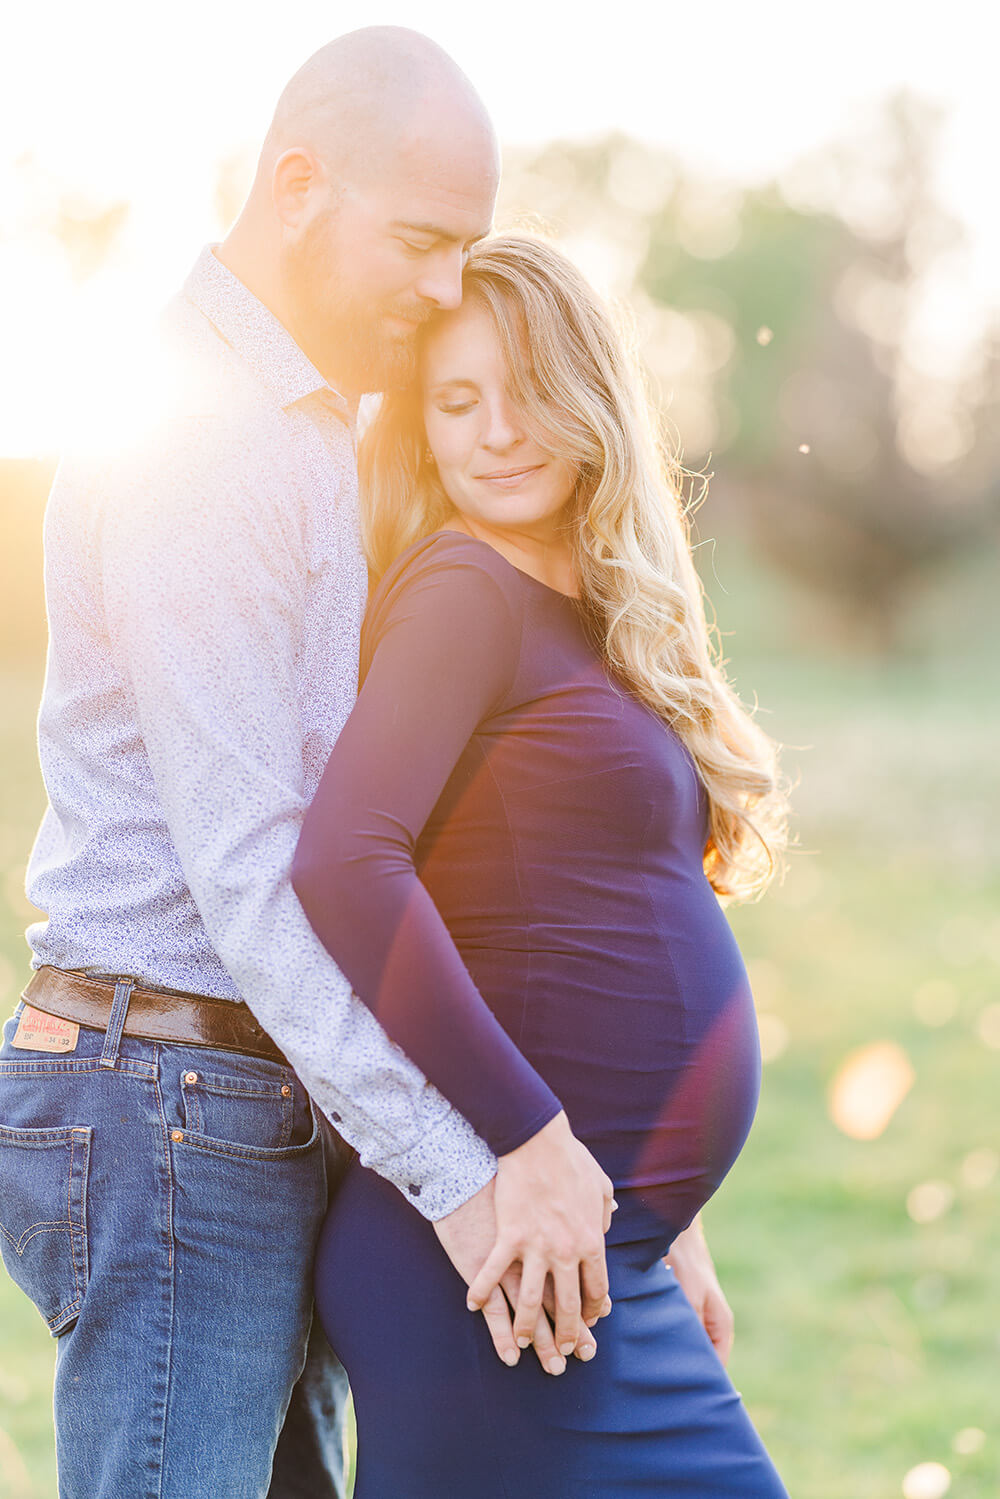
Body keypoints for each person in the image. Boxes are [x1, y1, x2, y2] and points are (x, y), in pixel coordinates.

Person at [0, 28, 731, 1499]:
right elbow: (262, 874)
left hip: (240, 1095)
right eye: (424, 241)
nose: (448, 287)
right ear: (296, 186)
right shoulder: (206, 442)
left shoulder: (305, 428)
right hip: (173, 1088)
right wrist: (468, 1173)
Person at [292, 232, 791, 1497]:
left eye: (527, 392)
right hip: (503, 1261)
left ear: (592, 396)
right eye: (457, 402)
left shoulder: (584, 613)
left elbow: (579, 908)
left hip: (596, 1243)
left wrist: (676, 1222)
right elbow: (346, 860)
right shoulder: (462, 587)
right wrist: (526, 1139)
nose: (498, 433)